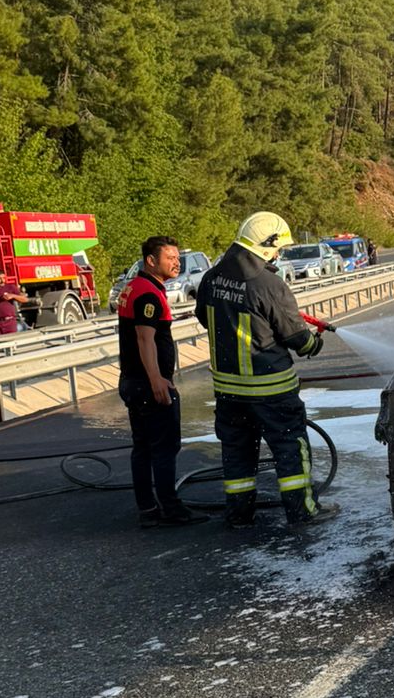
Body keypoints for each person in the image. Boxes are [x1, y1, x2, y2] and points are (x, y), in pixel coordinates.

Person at [195, 211, 332, 529]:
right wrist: (315, 343)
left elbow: (206, 317)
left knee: (237, 452)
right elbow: (298, 339)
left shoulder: (211, 279)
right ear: (267, 244)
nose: (279, 254)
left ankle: (239, 516)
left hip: (228, 392)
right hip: (271, 391)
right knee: (289, 450)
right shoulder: (269, 284)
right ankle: (302, 512)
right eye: (279, 248)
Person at [117, 236, 200, 530]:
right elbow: (144, 338)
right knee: (164, 448)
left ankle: (149, 509)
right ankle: (171, 508)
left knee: (143, 449)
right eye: (170, 257)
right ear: (151, 261)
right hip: (147, 384)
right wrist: (157, 380)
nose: (176, 262)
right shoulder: (148, 295)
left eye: (178, 257)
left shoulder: (136, 287)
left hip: (132, 381)